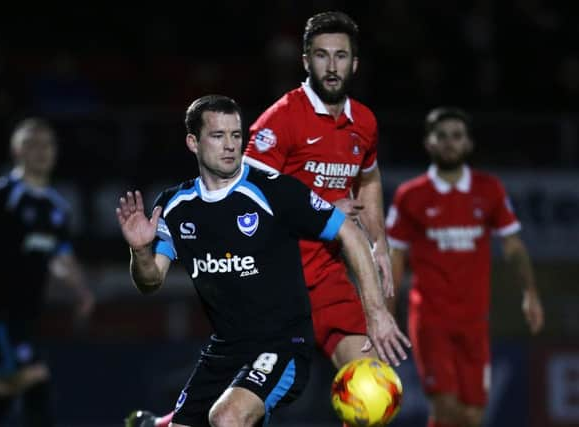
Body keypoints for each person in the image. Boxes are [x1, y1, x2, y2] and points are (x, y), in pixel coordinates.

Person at [117, 95, 409, 427]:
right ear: (192, 142)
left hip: (283, 346)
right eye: (218, 136)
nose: (230, 145)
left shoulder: (275, 192)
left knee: (227, 418)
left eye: (236, 135)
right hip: (224, 350)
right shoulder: (174, 206)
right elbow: (151, 281)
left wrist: (375, 313)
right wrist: (140, 251)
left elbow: (352, 236)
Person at [243, 11, 401, 372]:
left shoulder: (364, 122)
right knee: (239, 411)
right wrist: (321, 209)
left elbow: (370, 178)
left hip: (327, 276)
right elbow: (243, 199)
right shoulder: (281, 119)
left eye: (341, 56)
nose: (331, 66)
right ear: (305, 61)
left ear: (355, 63)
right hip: (274, 281)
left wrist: (377, 240)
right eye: (321, 55)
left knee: (371, 380)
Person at [386, 106, 545, 427]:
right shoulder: (410, 196)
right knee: (445, 408)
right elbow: (395, 256)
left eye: (456, 136)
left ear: (469, 144)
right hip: (431, 318)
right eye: (441, 136)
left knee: (472, 416)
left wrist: (530, 293)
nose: (449, 142)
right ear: (428, 143)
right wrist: (385, 313)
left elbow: (513, 245)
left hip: (474, 321)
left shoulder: (489, 190)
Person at [0, 118, 95, 426]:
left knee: (1, 393)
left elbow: (60, 257)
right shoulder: (1, 196)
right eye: (32, 143)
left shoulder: (56, 208)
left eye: (48, 144)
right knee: (36, 380)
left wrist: (81, 292)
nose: (41, 151)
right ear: (16, 150)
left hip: (26, 314)